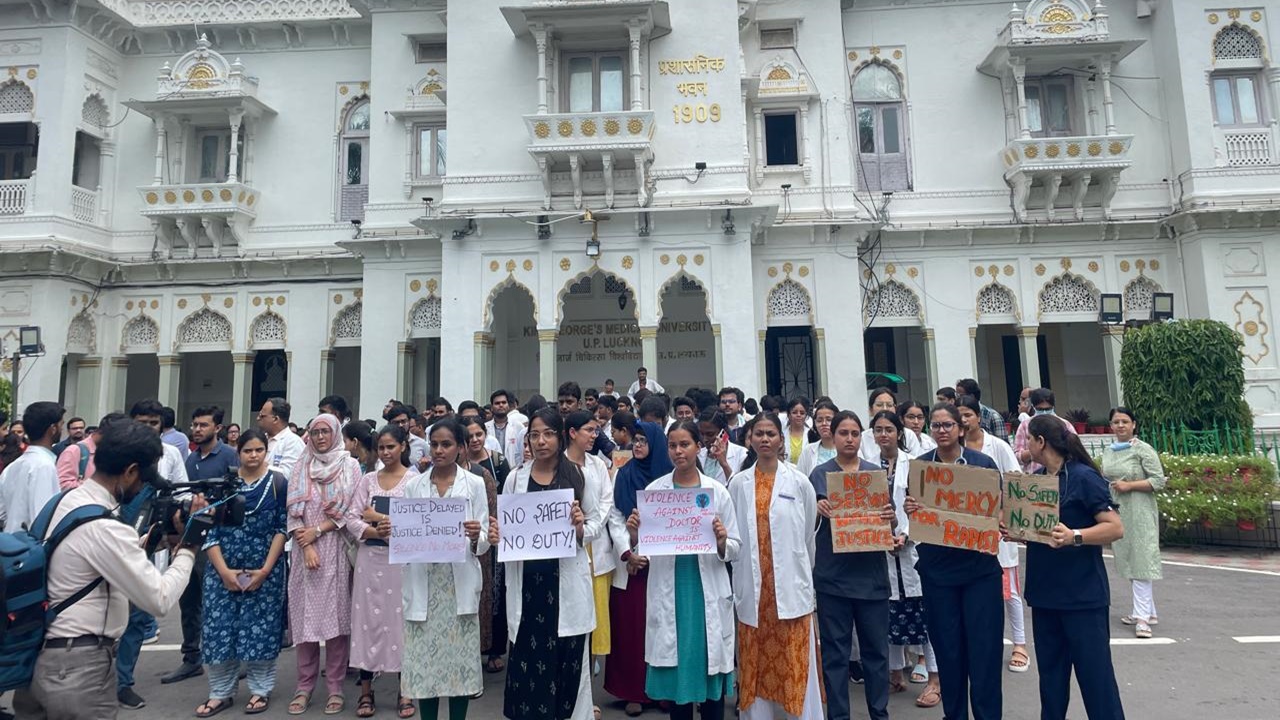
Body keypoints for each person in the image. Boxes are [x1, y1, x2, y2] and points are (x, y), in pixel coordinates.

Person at [11, 420, 202, 720]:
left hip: (40, 659)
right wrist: (189, 547)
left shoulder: (64, 502)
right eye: (145, 479)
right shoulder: (105, 527)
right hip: (78, 668)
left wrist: (154, 540)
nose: (145, 487)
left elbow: (86, 559)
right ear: (130, 471)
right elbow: (160, 599)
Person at [489, 408, 598, 720]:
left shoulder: (579, 476)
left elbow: (594, 525)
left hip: (565, 586)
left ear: (560, 437)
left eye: (548, 434)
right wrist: (497, 535)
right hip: (528, 588)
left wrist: (581, 527)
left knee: (567, 667)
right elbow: (507, 528)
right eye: (534, 435)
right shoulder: (515, 478)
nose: (541, 441)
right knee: (529, 668)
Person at [625, 420, 737, 720]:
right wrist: (634, 535)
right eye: (672, 445)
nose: (678, 451)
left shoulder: (716, 492)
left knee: (711, 681)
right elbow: (645, 549)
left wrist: (722, 541)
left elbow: (736, 548)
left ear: (698, 447)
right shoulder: (655, 492)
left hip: (705, 594)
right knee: (678, 688)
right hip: (671, 593)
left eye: (685, 444)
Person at [904, 403, 1004, 720]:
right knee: (948, 652)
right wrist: (910, 509)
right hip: (938, 573)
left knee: (985, 653)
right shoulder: (921, 467)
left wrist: (999, 522)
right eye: (936, 425)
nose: (942, 430)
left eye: (947, 425)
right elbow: (915, 511)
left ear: (961, 428)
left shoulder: (982, 464)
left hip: (980, 572)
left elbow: (999, 508)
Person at [1023, 415, 1126, 720]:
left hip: (1082, 597)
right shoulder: (1037, 481)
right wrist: (1017, 530)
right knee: (1051, 681)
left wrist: (1075, 536)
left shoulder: (1083, 477)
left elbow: (1115, 527)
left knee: (1096, 679)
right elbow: (1036, 528)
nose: (1026, 446)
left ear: (1041, 442)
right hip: (1045, 595)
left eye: (1029, 439)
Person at [728, 412, 823, 720]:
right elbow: (734, 536)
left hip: (790, 588)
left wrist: (800, 574)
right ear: (750, 439)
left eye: (771, 433)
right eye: (759, 433)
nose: (765, 439)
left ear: (781, 440)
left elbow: (808, 537)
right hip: (754, 592)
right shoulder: (738, 484)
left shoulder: (799, 482)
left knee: (795, 663)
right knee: (755, 664)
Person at [399, 419, 490, 719]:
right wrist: (393, 533)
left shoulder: (474, 484)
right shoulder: (414, 486)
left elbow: (485, 538)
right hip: (424, 583)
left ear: (461, 448)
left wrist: (477, 536)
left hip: (457, 584)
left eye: (446, 444)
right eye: (434, 444)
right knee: (425, 669)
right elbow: (407, 535)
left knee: (458, 668)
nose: (438, 450)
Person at [808, 410, 894, 720]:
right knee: (835, 655)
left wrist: (890, 517)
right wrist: (816, 508)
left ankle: (879, 713)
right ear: (832, 436)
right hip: (833, 579)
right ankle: (838, 716)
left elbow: (891, 523)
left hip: (872, 578)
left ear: (861, 437)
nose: (849, 439)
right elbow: (806, 523)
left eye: (855, 433)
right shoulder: (820, 475)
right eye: (843, 433)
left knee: (876, 654)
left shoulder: (874, 474)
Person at [195, 430, 288, 717]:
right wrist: (224, 572)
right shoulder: (225, 484)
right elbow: (209, 530)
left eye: (259, 450)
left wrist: (265, 570)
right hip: (222, 570)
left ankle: (261, 690)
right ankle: (220, 693)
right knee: (219, 630)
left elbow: (281, 528)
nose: (253, 455)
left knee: (261, 630)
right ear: (238, 452)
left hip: (264, 570)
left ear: (266, 451)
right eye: (248, 450)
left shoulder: (277, 483)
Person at [115, 400, 190, 710]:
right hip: (110, 539)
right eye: (142, 422)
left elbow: (181, 494)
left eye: (153, 423)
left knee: (136, 617)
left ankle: (122, 682)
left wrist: (172, 529)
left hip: (146, 545)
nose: (148, 428)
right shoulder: (115, 452)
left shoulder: (170, 455)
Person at [286, 413, 361, 715]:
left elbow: (351, 511)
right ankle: (304, 686)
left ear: (336, 434)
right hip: (304, 551)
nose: (319, 438)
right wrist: (306, 546)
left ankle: (335, 687)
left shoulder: (349, 465)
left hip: (334, 548)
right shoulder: (301, 465)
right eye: (315, 432)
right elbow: (292, 513)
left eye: (325, 432)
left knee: (336, 624)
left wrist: (317, 532)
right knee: (304, 622)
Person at [164, 406, 240, 686]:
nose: (197, 429)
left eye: (203, 425)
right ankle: (191, 658)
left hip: (219, 539)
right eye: (195, 424)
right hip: (191, 534)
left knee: (218, 601)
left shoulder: (230, 456)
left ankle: (230, 656)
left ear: (217, 428)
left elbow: (237, 497)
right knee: (189, 599)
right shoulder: (190, 458)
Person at [871, 410, 941, 710]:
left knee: (925, 616)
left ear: (899, 433)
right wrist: (881, 537)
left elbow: (925, 505)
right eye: (878, 430)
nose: (883, 435)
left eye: (889, 429)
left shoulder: (915, 465)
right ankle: (896, 674)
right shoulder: (868, 467)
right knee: (888, 614)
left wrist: (907, 534)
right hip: (882, 551)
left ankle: (935, 680)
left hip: (913, 548)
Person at [346, 425, 416, 718]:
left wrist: (379, 516)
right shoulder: (367, 480)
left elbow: (417, 523)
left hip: (401, 563)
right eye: (382, 448)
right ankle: (365, 691)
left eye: (391, 447)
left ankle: (405, 690)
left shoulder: (415, 481)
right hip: (369, 562)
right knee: (368, 623)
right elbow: (352, 517)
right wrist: (375, 530)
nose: (386, 453)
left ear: (403, 446)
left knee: (401, 625)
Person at [604, 416, 672, 716]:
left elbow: (673, 521)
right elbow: (616, 516)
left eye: (644, 441)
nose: (639, 445)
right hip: (631, 566)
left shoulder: (669, 477)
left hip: (661, 562)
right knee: (631, 629)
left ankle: (664, 690)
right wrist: (629, 552)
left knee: (663, 627)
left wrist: (645, 551)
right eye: (636, 440)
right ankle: (633, 691)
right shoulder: (624, 474)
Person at [956, 394, 1028, 674]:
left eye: (968, 415)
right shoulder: (954, 449)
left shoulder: (997, 446)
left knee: (1009, 590)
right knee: (976, 592)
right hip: (965, 533)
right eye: (959, 416)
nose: (964, 420)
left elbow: (1015, 482)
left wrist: (1001, 515)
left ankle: (1020, 644)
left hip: (997, 528)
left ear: (978, 417)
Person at [1100, 407, 1166, 639]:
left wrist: (1130, 485)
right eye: (1116, 422)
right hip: (1120, 510)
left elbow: (1158, 480)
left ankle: (1142, 618)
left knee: (1141, 560)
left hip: (1140, 510)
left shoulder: (1142, 449)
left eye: (1125, 421)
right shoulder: (1109, 450)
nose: (1120, 426)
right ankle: (1148, 611)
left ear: (1134, 424)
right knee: (1129, 559)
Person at [460, 418, 511, 676]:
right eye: (468, 437)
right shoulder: (436, 476)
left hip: (487, 543)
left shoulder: (486, 472)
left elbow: (497, 508)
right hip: (456, 548)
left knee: (492, 597)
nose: (474, 440)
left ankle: (493, 650)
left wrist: (486, 535)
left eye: (478, 434)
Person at [0, 401, 64, 533]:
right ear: (53, 429)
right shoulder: (43, 466)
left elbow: (2, 513)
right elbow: (42, 519)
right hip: (30, 542)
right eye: (61, 425)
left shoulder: (13, 466)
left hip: (11, 540)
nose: (62, 430)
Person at [1013, 388, 1075, 472]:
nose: (1045, 412)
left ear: (1053, 407)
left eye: (1048, 409)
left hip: (1060, 474)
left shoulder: (1065, 425)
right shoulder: (1025, 425)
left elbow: (1075, 450)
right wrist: (1034, 451)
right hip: (1034, 476)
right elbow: (1017, 456)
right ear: (1033, 407)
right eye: (1040, 409)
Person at [696, 408, 748, 485]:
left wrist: (724, 464)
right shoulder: (698, 455)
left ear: (723, 432)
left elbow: (740, 487)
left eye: (710, 434)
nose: (705, 439)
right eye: (702, 434)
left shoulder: (741, 454)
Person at [56, 417, 109, 491]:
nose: (78, 430)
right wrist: (94, 488)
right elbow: (62, 483)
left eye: (81, 428)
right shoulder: (68, 450)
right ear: (68, 430)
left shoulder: (103, 450)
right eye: (75, 428)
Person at [258, 397, 305, 476]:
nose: (258, 418)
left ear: (275, 419)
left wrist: (259, 467)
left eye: (262, 416)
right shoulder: (260, 439)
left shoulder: (293, 442)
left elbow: (288, 475)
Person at [796, 401, 839, 476]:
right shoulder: (808, 451)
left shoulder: (848, 448)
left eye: (829, 420)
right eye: (819, 420)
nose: (824, 424)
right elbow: (800, 478)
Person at [487, 389, 527, 466]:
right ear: (491, 407)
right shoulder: (485, 428)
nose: (501, 405)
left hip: (513, 468)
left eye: (504, 402)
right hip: (492, 469)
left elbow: (522, 450)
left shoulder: (518, 426)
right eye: (497, 403)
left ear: (508, 406)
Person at [387, 403, 430, 470]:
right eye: (396, 422)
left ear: (409, 422)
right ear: (389, 423)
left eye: (403, 421)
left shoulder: (421, 443)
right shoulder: (385, 444)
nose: (400, 425)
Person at [782, 396, 811, 464]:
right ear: (789, 415)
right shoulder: (782, 434)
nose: (798, 415)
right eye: (794, 412)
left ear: (806, 416)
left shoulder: (811, 435)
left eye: (802, 413)